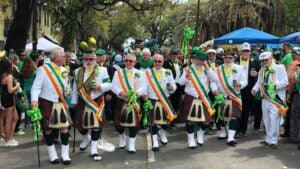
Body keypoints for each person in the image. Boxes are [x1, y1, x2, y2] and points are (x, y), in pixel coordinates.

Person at [31, 48, 72, 164]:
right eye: (63, 56)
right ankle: (52, 154)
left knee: (64, 128)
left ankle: (65, 155)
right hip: (46, 101)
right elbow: (36, 87)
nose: (65, 57)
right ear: (55, 57)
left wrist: (67, 92)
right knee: (48, 129)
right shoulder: (42, 69)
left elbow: (65, 86)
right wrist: (34, 101)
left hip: (60, 101)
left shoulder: (64, 69)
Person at [72, 51, 111, 161]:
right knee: (79, 125)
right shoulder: (77, 72)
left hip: (97, 101)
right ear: (83, 60)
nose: (89, 61)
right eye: (86, 59)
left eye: (91, 59)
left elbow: (109, 84)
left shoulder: (103, 70)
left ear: (95, 60)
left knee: (96, 126)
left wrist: (100, 86)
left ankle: (94, 150)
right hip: (82, 101)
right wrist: (74, 101)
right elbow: (75, 88)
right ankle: (86, 138)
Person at [179, 51, 218, 149]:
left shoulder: (207, 70)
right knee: (190, 121)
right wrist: (187, 76)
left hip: (203, 97)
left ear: (204, 61)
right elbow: (180, 83)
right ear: (194, 59)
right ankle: (191, 140)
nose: (199, 62)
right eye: (197, 60)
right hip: (191, 96)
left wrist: (208, 68)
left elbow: (215, 79)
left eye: (201, 60)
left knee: (206, 120)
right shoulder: (188, 69)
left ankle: (200, 135)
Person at [252, 51, 288, 149]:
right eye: (262, 60)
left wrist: (276, 85)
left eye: (266, 60)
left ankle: (273, 140)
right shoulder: (262, 70)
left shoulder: (279, 68)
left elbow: (285, 82)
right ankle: (268, 138)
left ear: (271, 57)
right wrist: (255, 89)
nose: (264, 62)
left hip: (276, 99)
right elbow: (259, 82)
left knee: (274, 120)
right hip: (265, 98)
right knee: (266, 119)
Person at [111, 53, 146, 154]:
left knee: (134, 124)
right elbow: (113, 86)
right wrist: (120, 92)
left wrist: (136, 94)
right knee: (119, 124)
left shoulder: (140, 73)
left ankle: (131, 145)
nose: (128, 63)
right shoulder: (118, 73)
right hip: (122, 100)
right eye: (126, 60)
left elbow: (144, 87)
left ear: (135, 62)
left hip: (134, 100)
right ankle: (122, 138)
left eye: (131, 61)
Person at [144, 54, 177, 151]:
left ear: (163, 62)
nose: (157, 63)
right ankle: (155, 142)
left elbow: (174, 85)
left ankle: (162, 132)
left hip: (165, 100)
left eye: (159, 61)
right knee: (153, 122)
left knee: (167, 121)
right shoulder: (146, 73)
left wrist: (172, 88)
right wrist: (145, 97)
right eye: (155, 61)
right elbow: (144, 87)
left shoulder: (168, 72)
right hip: (152, 100)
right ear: (152, 62)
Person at [215, 52, 247, 146]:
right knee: (222, 116)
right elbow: (213, 82)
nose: (228, 60)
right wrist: (215, 90)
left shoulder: (240, 68)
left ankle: (231, 137)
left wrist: (240, 84)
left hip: (234, 95)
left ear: (234, 58)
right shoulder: (218, 69)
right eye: (226, 58)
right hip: (222, 95)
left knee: (233, 116)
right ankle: (224, 132)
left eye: (230, 58)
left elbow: (245, 81)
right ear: (223, 58)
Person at [236, 42, 261, 137]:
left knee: (246, 110)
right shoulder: (236, 61)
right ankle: (237, 129)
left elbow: (261, 74)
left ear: (250, 52)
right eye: (244, 51)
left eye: (247, 51)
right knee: (238, 109)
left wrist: (256, 74)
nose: (245, 53)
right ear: (240, 52)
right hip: (238, 88)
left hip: (249, 89)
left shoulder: (255, 61)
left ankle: (243, 129)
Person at [95, 48, 116, 152]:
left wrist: (109, 93)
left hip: (104, 95)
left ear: (104, 57)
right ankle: (94, 137)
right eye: (97, 56)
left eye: (100, 56)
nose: (98, 58)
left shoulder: (109, 68)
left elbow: (112, 82)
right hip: (92, 96)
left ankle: (98, 136)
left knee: (101, 117)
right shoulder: (90, 67)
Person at [0, 59, 20, 147]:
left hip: (4, 99)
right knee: (8, 120)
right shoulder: (9, 76)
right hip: (8, 99)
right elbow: (10, 90)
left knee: (15, 118)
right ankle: (8, 140)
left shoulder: (2, 75)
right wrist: (17, 86)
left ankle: (10, 138)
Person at [20, 58, 36, 127]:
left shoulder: (21, 72)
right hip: (32, 90)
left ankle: (27, 122)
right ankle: (33, 120)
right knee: (32, 106)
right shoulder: (34, 72)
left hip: (24, 90)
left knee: (26, 107)